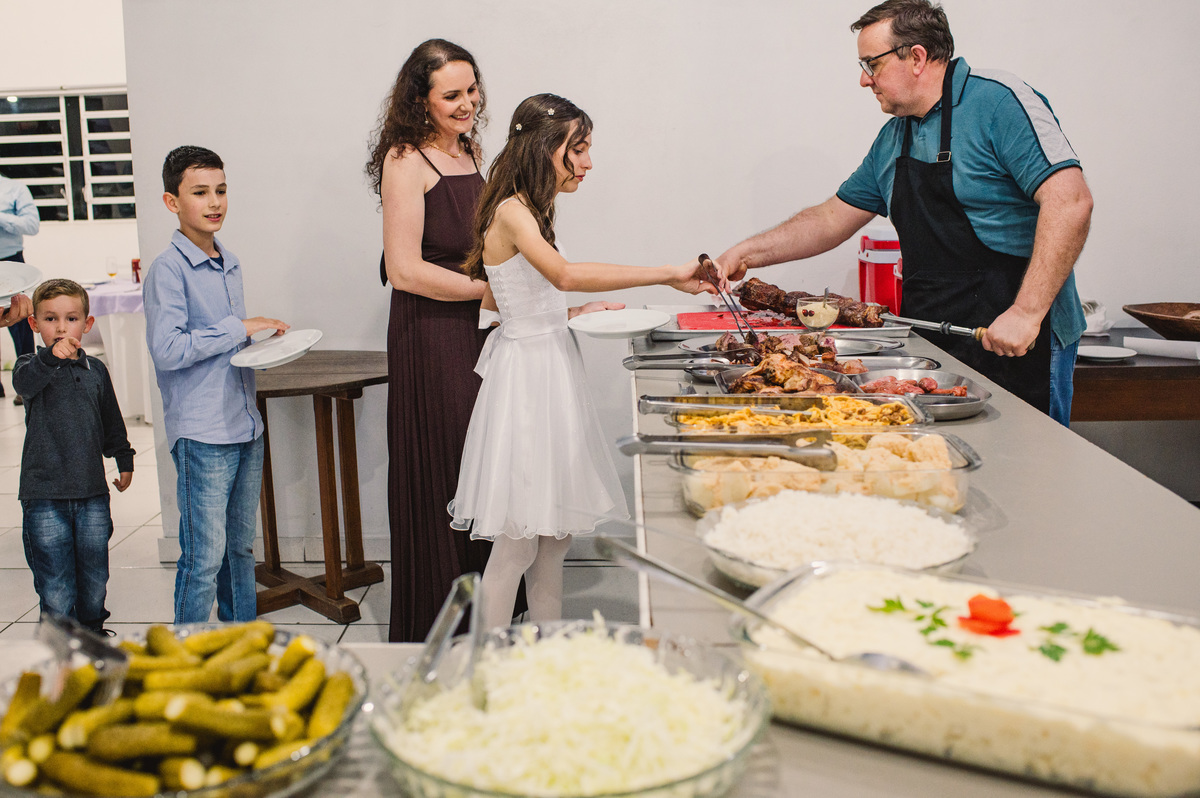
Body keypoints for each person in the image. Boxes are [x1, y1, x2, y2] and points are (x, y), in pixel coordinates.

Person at [716, 0, 1092, 422]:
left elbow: (1070, 201)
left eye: (870, 63)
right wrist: (743, 255)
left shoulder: (999, 102)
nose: (863, 79)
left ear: (916, 57)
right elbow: (829, 219)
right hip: (937, 339)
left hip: (1021, 338)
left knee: (1029, 471)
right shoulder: (895, 136)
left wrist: (1026, 313)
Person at [451, 94, 714, 631]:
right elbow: (563, 273)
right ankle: (491, 666)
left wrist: (563, 313)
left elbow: (499, 304)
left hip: (548, 367)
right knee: (518, 543)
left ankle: (544, 650)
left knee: (554, 540)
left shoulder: (531, 210)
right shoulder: (511, 211)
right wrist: (665, 272)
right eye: (580, 148)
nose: (589, 162)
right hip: (527, 384)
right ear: (548, 148)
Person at [366, 39, 507, 642]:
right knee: (449, 467)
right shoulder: (406, 160)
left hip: (482, 330)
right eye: (452, 95)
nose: (467, 103)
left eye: (472, 90)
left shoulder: (472, 149)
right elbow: (404, 270)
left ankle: (493, 609)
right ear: (419, 101)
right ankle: (443, 618)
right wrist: (487, 292)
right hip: (432, 335)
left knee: (488, 461)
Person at [145, 146, 289, 624]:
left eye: (221, 190)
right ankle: (184, 656)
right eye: (200, 192)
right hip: (203, 432)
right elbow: (168, 349)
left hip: (244, 424)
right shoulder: (168, 269)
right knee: (203, 559)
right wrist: (241, 327)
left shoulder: (229, 261)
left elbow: (224, 347)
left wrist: (261, 343)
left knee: (240, 551)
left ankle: (241, 644)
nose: (215, 202)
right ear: (172, 202)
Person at [14, 279, 134, 634]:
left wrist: (123, 458)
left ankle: (93, 635)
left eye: (71, 318)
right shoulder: (29, 366)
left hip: (92, 493)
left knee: (95, 574)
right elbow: (25, 385)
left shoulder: (95, 370)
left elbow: (111, 420)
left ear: (88, 324)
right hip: (43, 496)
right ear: (34, 324)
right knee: (55, 582)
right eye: (50, 319)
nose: (61, 327)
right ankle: (59, 648)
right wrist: (50, 357)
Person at [1, 172, 41, 405]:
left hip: (11, 263)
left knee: (21, 323)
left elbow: (31, 225)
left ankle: (26, 385)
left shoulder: (14, 189)